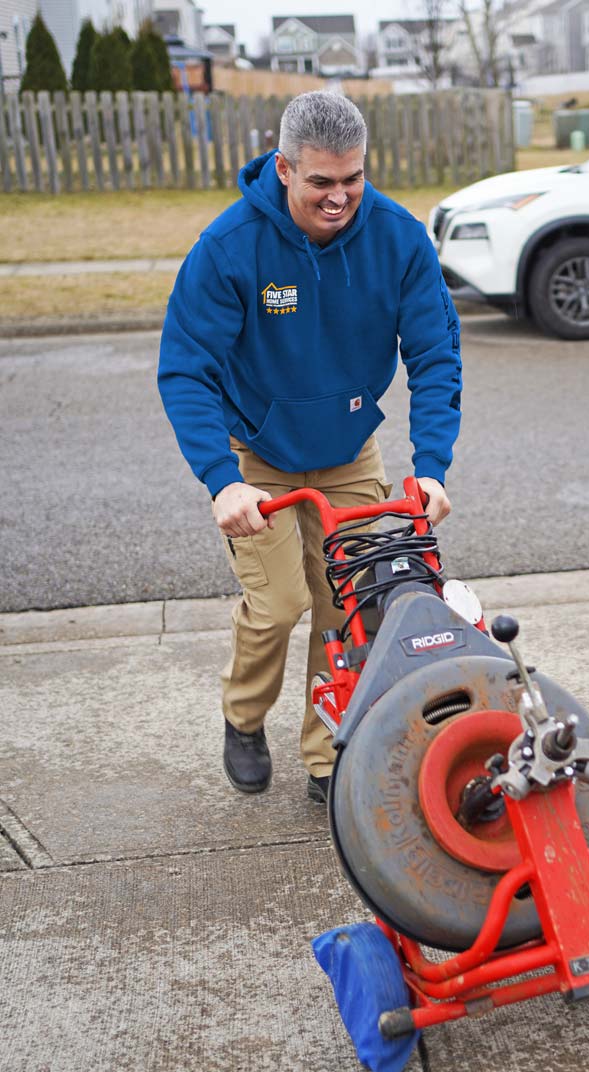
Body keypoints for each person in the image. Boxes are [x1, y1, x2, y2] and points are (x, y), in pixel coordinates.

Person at [158, 91, 462, 804]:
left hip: (349, 450)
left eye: (351, 178)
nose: (339, 197)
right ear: (284, 168)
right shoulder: (232, 248)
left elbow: (436, 352)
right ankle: (243, 716)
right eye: (320, 181)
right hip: (257, 455)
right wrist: (220, 479)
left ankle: (327, 755)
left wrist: (431, 465)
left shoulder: (397, 237)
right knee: (280, 604)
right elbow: (185, 367)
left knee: (349, 605)